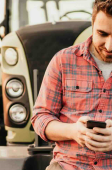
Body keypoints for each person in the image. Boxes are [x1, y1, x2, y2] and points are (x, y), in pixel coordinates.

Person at [31, 0, 112, 169]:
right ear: (92, 23)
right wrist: (73, 131)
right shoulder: (63, 60)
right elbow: (40, 117)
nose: (109, 46)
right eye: (102, 34)